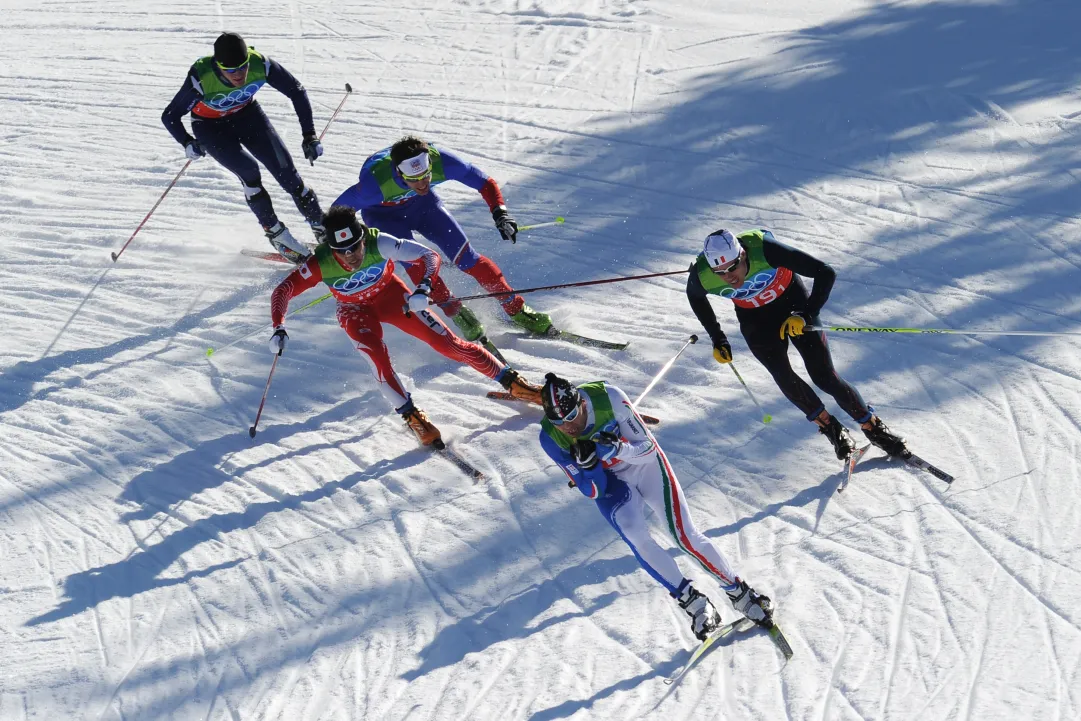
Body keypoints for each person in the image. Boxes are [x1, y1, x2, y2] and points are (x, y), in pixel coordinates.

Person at [268, 205, 543, 446]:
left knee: (447, 344)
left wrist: (423, 288)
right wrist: (278, 327)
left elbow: (429, 256)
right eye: (342, 251)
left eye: (355, 246)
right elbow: (282, 291)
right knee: (378, 359)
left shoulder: (380, 242)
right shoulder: (321, 262)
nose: (351, 255)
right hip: (354, 310)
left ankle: (514, 384)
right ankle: (411, 416)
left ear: (363, 238)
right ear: (332, 249)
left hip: (392, 297)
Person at [536, 374, 775, 640]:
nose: (569, 427)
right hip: (612, 482)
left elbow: (648, 449)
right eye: (560, 423)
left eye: (572, 418)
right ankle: (694, 603)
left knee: (683, 535)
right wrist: (591, 469)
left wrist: (618, 449)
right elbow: (593, 491)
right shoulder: (550, 438)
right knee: (635, 535)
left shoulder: (609, 397)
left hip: (644, 466)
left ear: (581, 403)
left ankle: (741, 594)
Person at [686, 228, 909, 460]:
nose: (729, 276)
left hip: (793, 303)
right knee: (783, 375)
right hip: (756, 319)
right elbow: (695, 297)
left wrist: (806, 314)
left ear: (743, 255)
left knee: (824, 376)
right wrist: (717, 337)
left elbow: (825, 271)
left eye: (733, 266)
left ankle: (873, 428)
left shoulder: (766, 250)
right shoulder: (703, 275)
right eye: (720, 271)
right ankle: (832, 429)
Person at [333, 135, 552, 343]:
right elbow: (336, 214)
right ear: (399, 175)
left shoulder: (442, 161)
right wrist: (353, 245)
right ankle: (456, 312)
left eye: (426, 175)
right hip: (384, 217)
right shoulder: (374, 184)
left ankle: (517, 309)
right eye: (414, 180)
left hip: (424, 206)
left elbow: (485, 183)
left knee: (467, 259)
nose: (422, 184)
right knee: (420, 267)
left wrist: (500, 212)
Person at [161, 31, 325, 263]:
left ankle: (320, 225)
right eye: (230, 70)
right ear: (218, 66)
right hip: (210, 128)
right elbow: (170, 116)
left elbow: (296, 91)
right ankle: (277, 234)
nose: (238, 74)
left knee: (287, 172)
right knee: (249, 172)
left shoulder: (261, 64)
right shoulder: (201, 77)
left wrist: (309, 135)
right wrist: (187, 141)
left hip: (248, 117)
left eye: (242, 67)